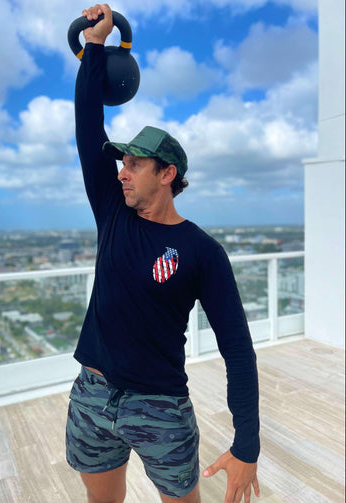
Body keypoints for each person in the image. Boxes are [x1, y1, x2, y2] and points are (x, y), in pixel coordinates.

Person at [66, 4, 260, 503]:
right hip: (92, 394)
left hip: (161, 407)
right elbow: (88, 124)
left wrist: (247, 445)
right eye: (122, 162)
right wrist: (95, 46)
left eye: (134, 163)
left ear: (167, 174)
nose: (122, 172)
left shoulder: (203, 251)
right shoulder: (113, 211)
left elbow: (237, 348)